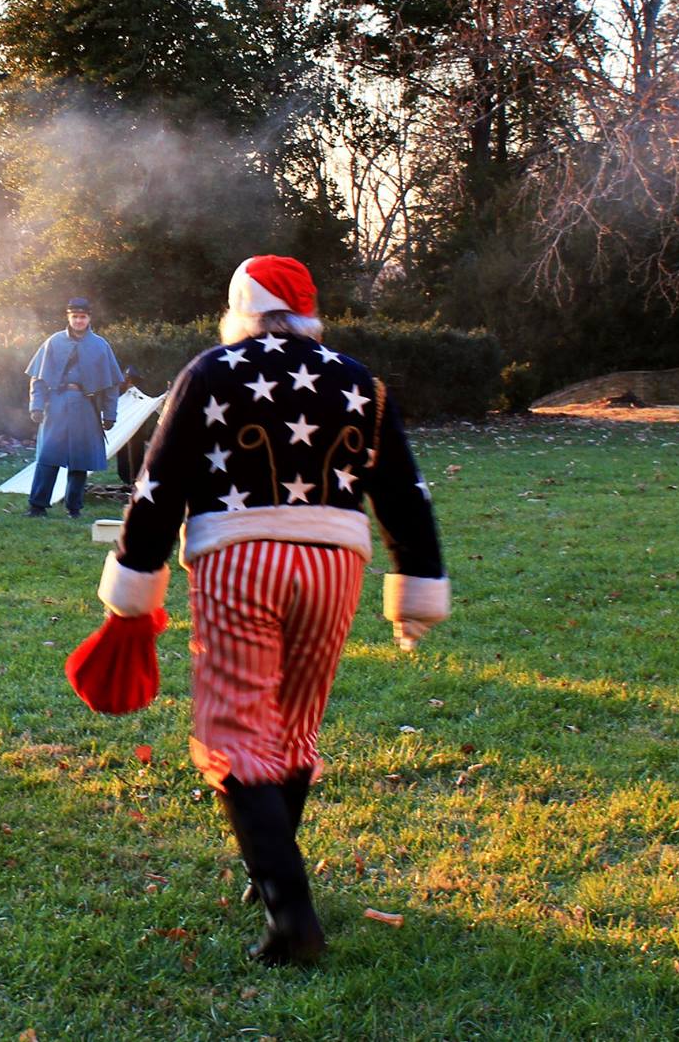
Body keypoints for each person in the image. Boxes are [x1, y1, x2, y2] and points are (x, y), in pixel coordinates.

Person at [94, 255, 448, 964]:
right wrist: (418, 575)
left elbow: (160, 483)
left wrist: (136, 575)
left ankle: (293, 918)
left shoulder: (211, 371)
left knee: (237, 727)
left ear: (241, 308)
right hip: (335, 565)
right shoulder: (360, 381)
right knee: (293, 720)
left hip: (238, 560)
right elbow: (404, 489)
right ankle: (271, 862)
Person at [24, 298, 124, 518]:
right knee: (48, 456)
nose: (79, 320)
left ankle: (74, 508)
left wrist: (110, 414)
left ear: (89, 318)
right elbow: (38, 379)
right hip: (57, 402)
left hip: (86, 405)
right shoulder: (53, 342)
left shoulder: (100, 345)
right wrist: (37, 406)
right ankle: (37, 506)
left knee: (80, 458)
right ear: (68, 317)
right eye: (75, 316)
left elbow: (111, 386)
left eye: (83, 317)